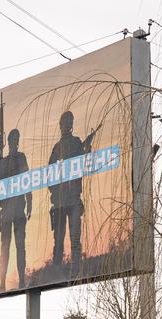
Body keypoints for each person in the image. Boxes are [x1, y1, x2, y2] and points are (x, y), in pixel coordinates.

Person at [47, 111, 97, 267]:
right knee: (59, 244)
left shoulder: (76, 142)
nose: (68, 125)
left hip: (74, 199)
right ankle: (56, 274)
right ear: (61, 125)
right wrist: (56, 194)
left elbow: (85, 165)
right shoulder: (57, 147)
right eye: (66, 122)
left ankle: (76, 270)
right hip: (61, 202)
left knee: (75, 240)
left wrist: (87, 147)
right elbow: (50, 174)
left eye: (70, 121)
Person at [0, 129, 31, 291]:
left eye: (17, 139)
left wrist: (30, 200)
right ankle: (2, 283)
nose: (15, 141)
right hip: (7, 210)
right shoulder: (4, 161)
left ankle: (22, 281)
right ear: (9, 141)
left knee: (20, 247)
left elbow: (27, 179)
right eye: (13, 139)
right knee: (4, 249)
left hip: (19, 208)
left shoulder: (21, 157)